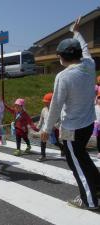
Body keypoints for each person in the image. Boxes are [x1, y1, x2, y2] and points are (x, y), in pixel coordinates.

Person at [41, 17, 100, 210]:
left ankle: (89, 201)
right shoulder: (89, 65)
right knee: (81, 157)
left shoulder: (63, 76)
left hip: (71, 129)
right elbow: (85, 48)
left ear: (62, 57)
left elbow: (56, 105)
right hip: (88, 123)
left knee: (76, 164)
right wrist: (76, 32)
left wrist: (46, 128)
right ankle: (97, 186)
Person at [36, 93, 64, 162]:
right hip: (45, 129)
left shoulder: (57, 110)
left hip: (53, 130)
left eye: (47, 102)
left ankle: (63, 148)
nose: (45, 104)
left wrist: (56, 126)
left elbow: (61, 120)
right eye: (45, 102)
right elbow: (41, 119)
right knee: (43, 141)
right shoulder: (44, 110)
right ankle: (43, 156)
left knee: (55, 142)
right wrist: (38, 127)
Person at [93, 94, 100, 159]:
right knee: (98, 139)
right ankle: (99, 152)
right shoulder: (95, 107)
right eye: (99, 98)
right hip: (97, 125)